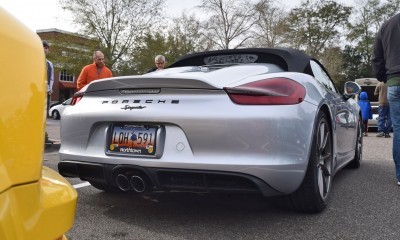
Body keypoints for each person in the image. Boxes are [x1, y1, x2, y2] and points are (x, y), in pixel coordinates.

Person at [372, 12, 400, 186]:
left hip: (395, 81)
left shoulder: (387, 25)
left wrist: (384, 77)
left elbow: (377, 57)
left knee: (398, 129)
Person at [43, 40, 54, 144]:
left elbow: (51, 78)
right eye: (44, 47)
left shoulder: (49, 64)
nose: (45, 49)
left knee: (44, 116)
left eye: (47, 48)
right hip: (37, 92)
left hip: (47, 93)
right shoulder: (34, 60)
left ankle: (44, 137)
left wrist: (50, 89)